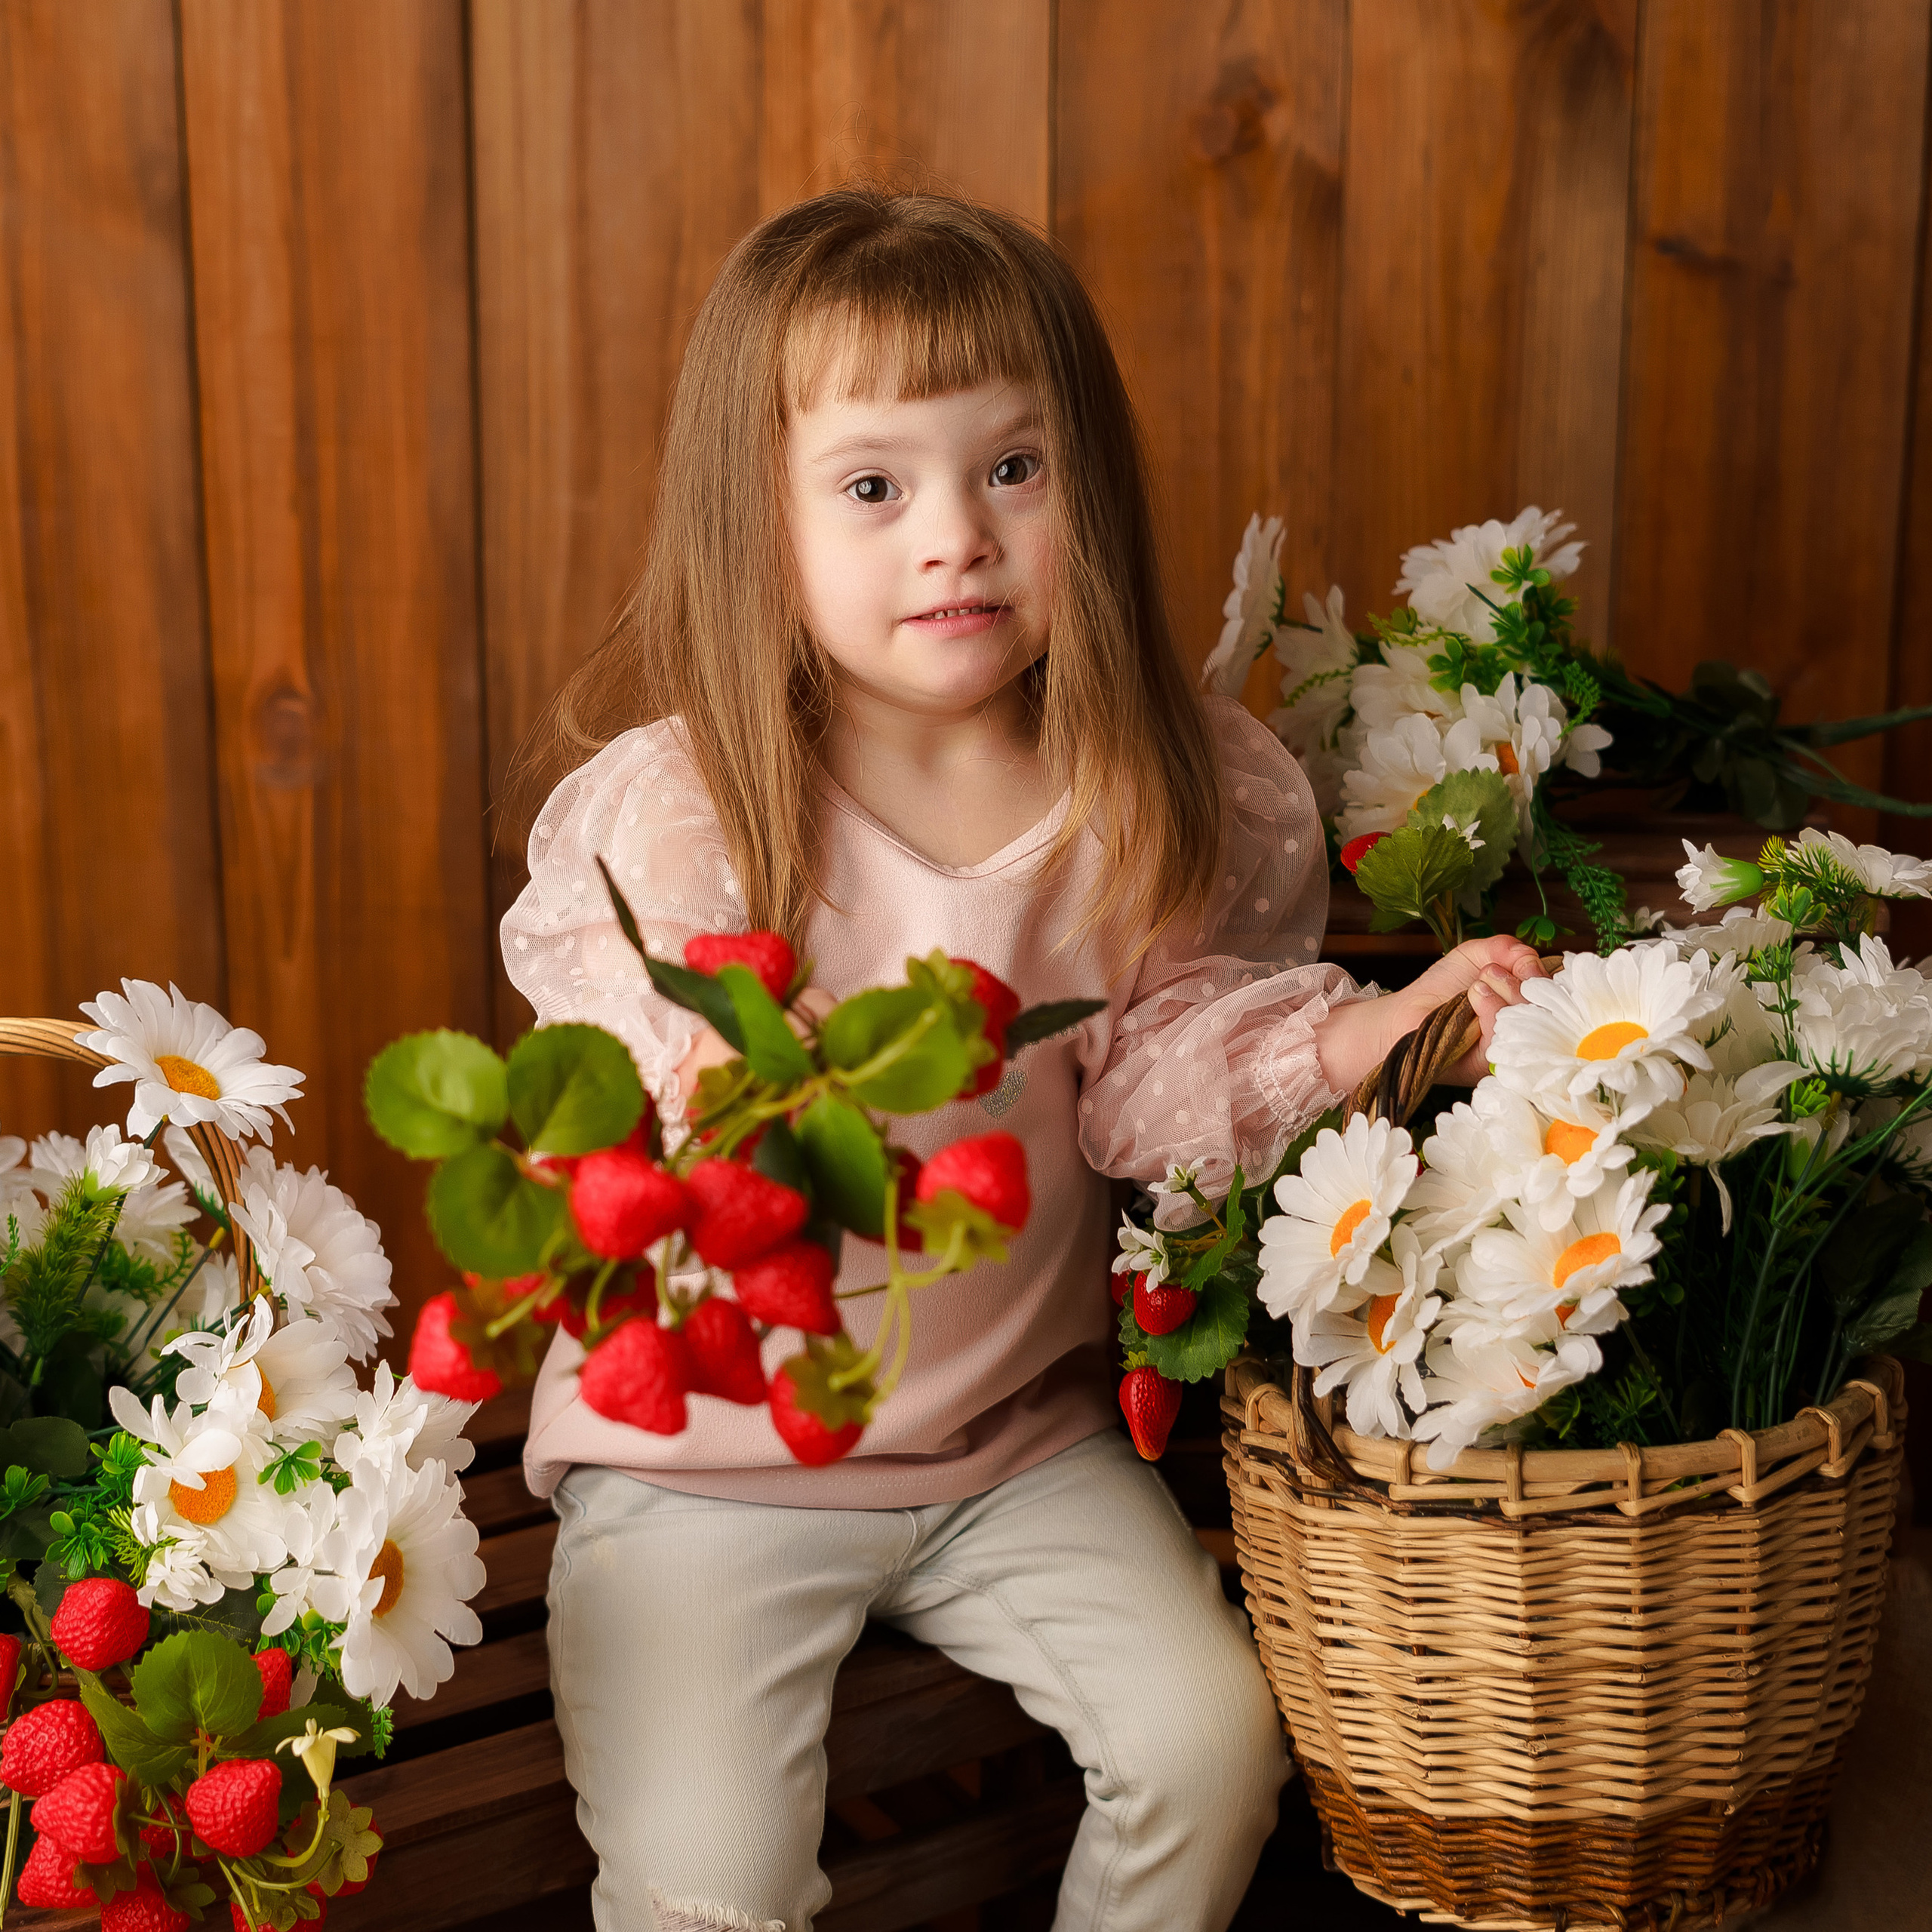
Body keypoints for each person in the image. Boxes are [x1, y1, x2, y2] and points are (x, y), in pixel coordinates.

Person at [502, 186, 1542, 1932]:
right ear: (756, 522)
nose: (952, 539)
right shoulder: (688, 816)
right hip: (711, 1450)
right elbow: (612, 1087)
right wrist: (684, 1113)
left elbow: (1153, 1082)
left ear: (1090, 490)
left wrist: (1367, 1030)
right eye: (870, 485)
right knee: (709, 1878)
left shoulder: (1145, 787)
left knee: (1213, 1745)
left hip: (1014, 1439)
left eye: (1010, 469)